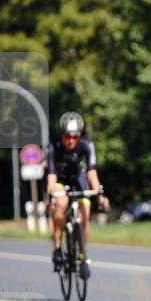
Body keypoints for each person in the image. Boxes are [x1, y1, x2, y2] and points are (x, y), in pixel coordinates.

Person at [46, 112, 109, 278]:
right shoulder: (53, 146)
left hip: (79, 180)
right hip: (60, 180)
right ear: (62, 135)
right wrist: (50, 196)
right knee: (61, 204)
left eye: (75, 136)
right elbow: (51, 176)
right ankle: (58, 247)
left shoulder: (87, 145)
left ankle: (82, 256)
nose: (71, 140)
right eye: (68, 136)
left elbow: (92, 172)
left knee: (85, 216)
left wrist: (99, 196)